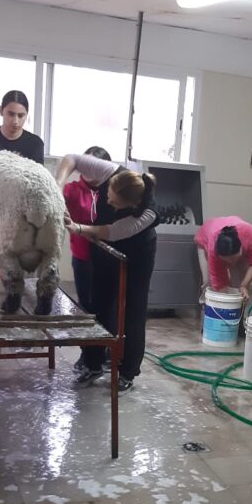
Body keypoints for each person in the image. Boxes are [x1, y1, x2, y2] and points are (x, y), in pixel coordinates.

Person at [57, 153, 157, 393]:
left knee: (133, 310)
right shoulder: (111, 172)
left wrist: (76, 227)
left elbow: (108, 231)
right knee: (98, 305)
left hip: (138, 256)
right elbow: (72, 158)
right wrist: (57, 186)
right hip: (104, 249)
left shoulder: (146, 214)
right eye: (107, 196)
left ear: (131, 205)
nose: (107, 202)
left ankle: (128, 371)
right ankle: (93, 363)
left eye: (113, 203)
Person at [62, 145, 112, 314]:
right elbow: (55, 196)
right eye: (85, 164)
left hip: (108, 256)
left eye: (93, 165)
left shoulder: (112, 191)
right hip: (83, 256)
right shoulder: (71, 189)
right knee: (86, 304)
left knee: (106, 304)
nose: (88, 170)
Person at [194, 217, 252, 303]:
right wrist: (223, 303)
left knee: (239, 287)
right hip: (205, 238)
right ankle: (207, 307)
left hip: (239, 240)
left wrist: (244, 285)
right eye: (227, 260)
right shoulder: (213, 250)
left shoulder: (251, 236)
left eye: (234, 258)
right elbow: (219, 284)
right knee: (209, 284)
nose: (231, 263)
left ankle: (238, 309)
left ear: (241, 247)